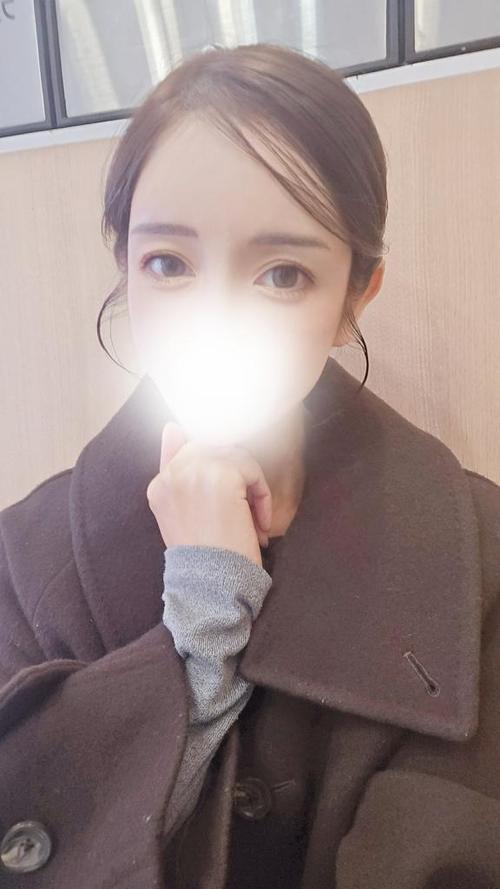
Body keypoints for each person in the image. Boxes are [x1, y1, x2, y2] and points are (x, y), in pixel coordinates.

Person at [1, 41, 500, 889]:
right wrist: (201, 624)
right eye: (169, 263)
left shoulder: (478, 560)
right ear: (124, 266)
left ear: (354, 299)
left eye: (282, 273)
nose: (217, 319)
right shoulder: (24, 559)